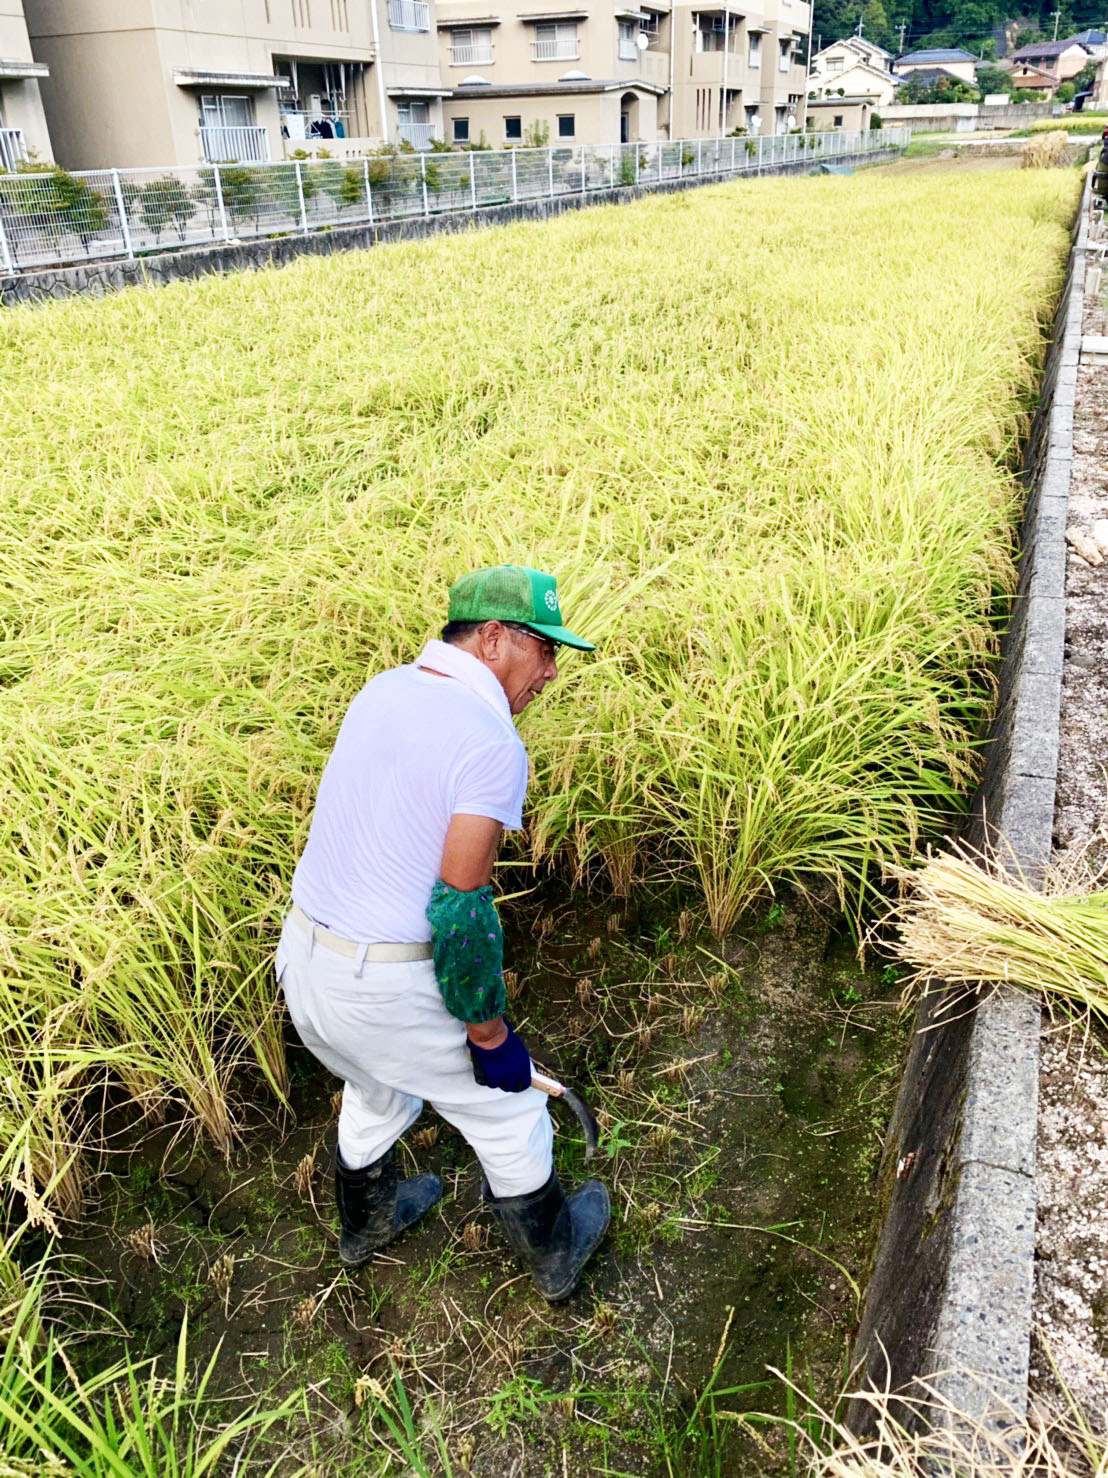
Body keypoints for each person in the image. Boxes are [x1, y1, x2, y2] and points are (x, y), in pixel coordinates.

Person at [276, 564, 610, 1301]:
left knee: (376, 1081)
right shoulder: (490, 739)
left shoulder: (385, 688)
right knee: (508, 1108)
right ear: (492, 639)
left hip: (303, 962)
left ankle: (368, 1222)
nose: (551, 672)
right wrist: (491, 1039)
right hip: (382, 986)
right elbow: (461, 909)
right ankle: (557, 1251)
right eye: (544, 650)